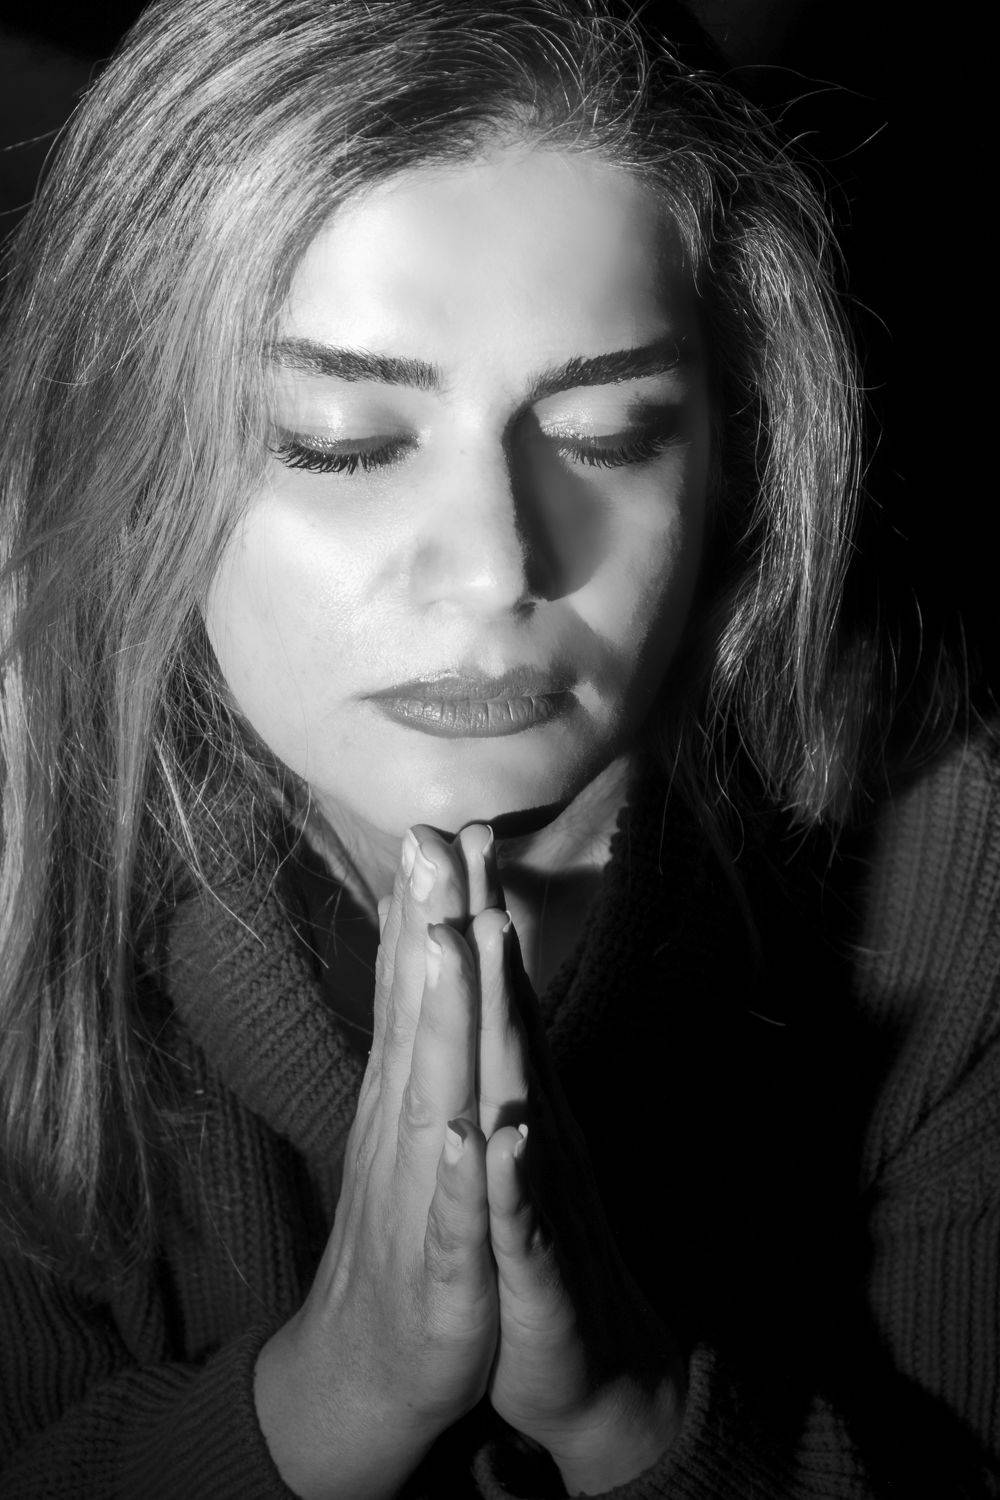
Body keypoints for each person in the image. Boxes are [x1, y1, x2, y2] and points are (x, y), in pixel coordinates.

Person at [0, 1, 996, 1496]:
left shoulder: (950, 880)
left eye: (609, 434)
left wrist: (641, 1424)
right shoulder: (30, 890)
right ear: (131, 461)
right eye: (341, 439)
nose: (493, 565)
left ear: (736, 457)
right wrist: (316, 1409)